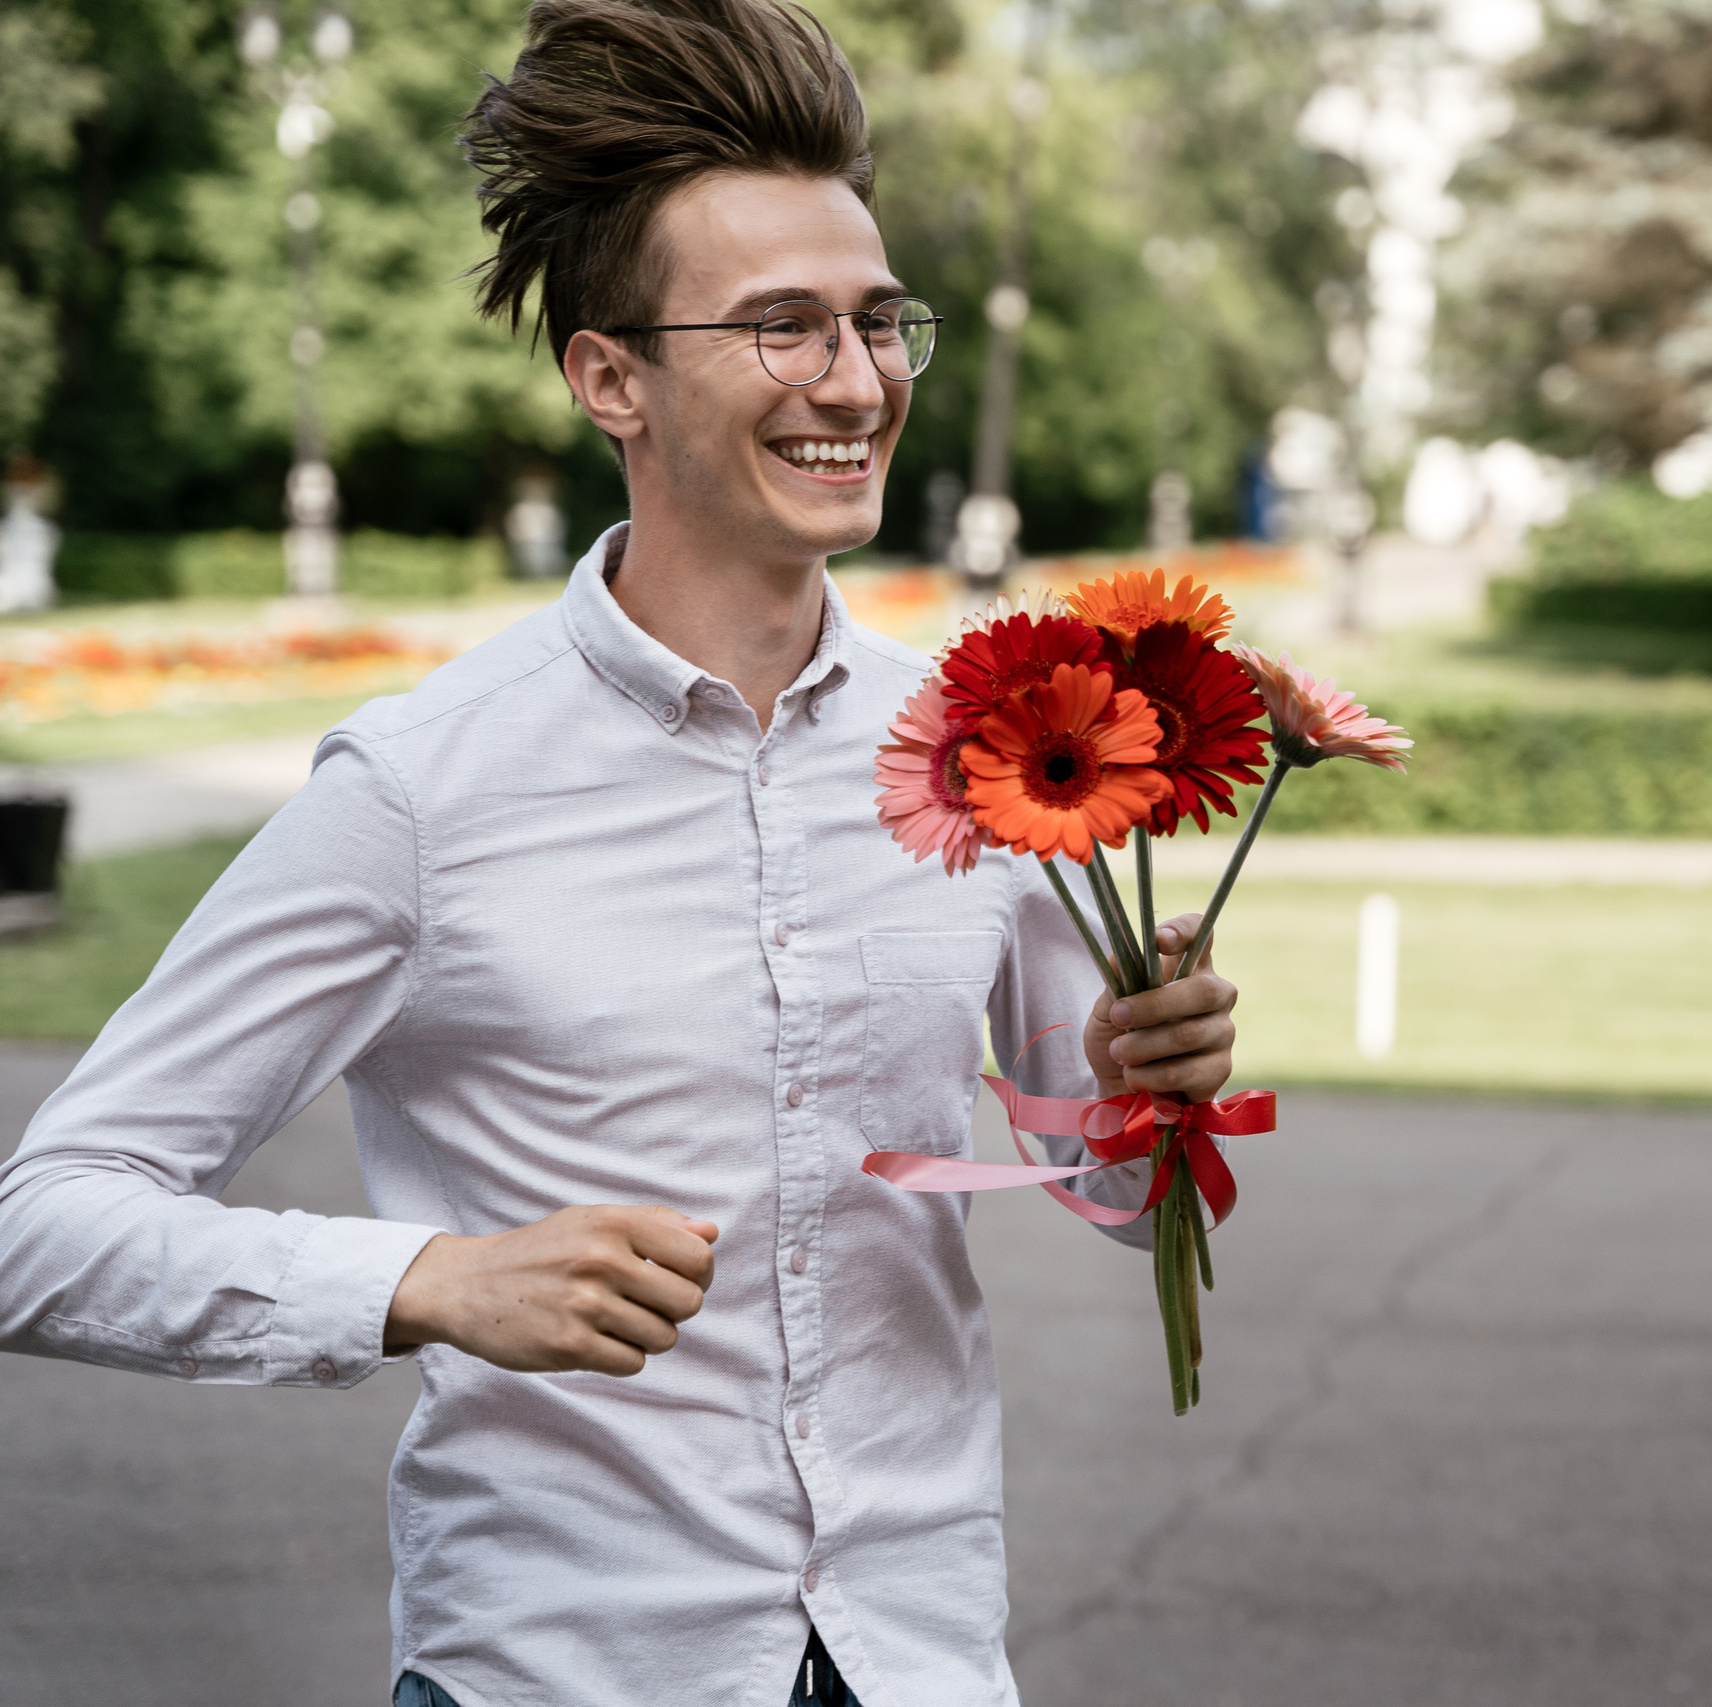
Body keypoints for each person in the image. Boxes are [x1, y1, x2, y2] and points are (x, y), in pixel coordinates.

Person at [0, 2, 1243, 1702]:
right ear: (611, 378)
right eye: (783, 326)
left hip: (920, 1656)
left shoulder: (985, 739)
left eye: (882, 322)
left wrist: (1134, 1091)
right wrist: (428, 1282)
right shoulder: (425, 789)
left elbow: (1112, 1189)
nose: (859, 381)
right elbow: (45, 1223)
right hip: (563, 1667)